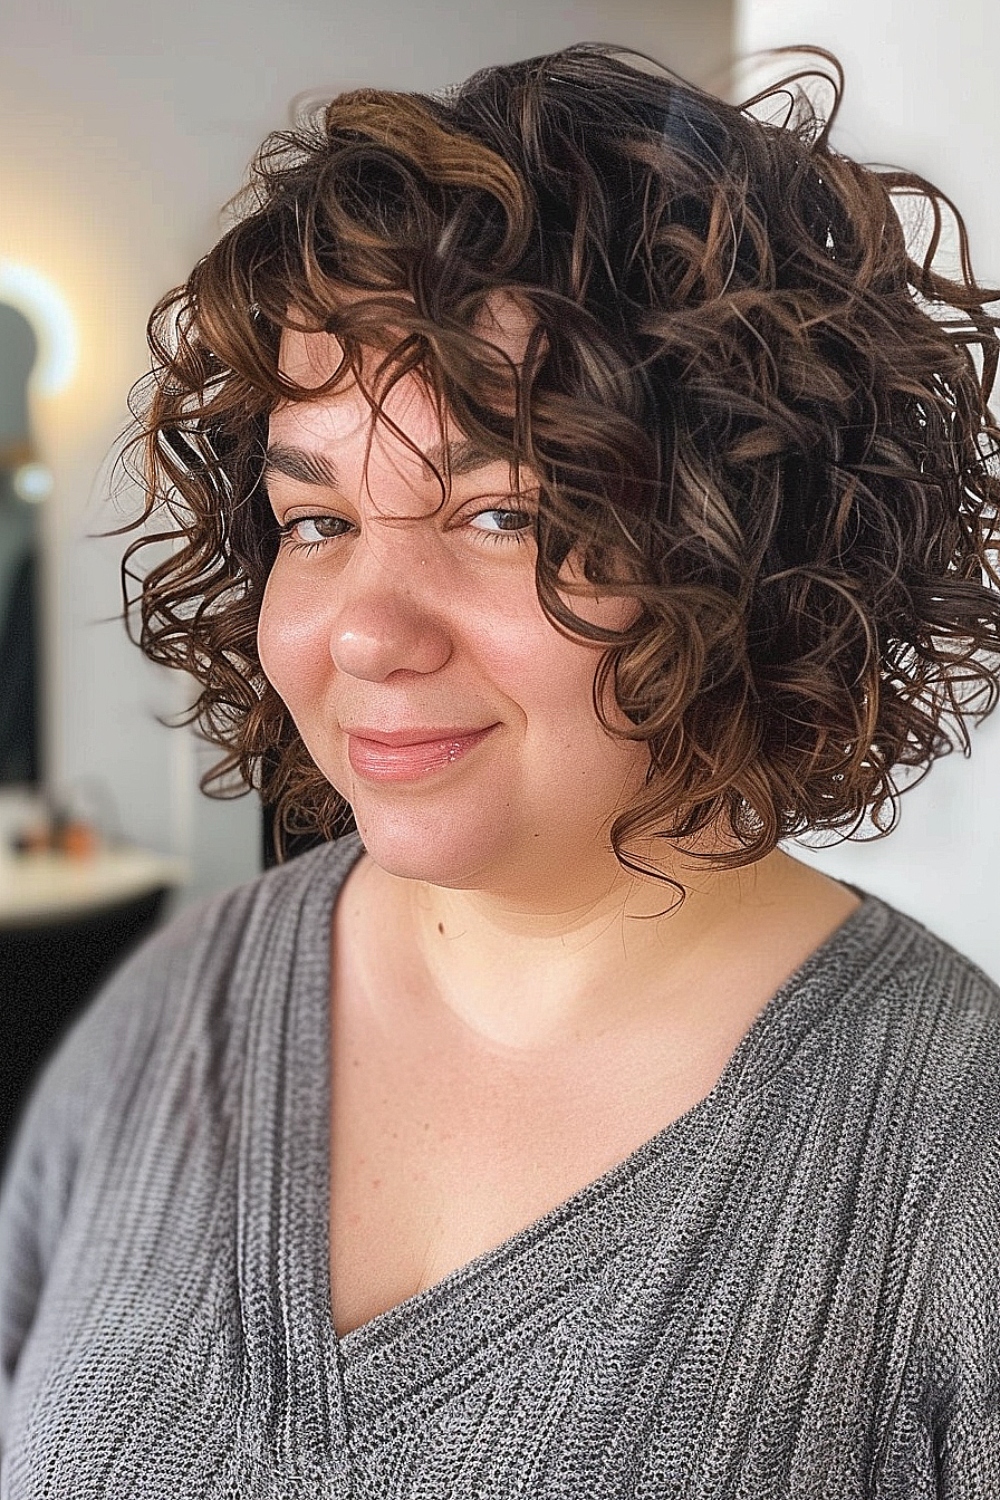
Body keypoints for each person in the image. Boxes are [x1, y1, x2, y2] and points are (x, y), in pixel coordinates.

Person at [2, 41, 1000, 1498]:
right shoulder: (169, 1019)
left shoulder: (947, 1158)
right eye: (320, 523)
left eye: (504, 514)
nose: (366, 634)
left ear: (749, 550)